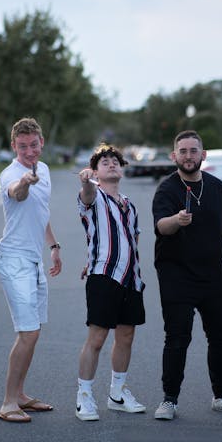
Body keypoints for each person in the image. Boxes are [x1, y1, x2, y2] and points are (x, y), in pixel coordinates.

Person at [152, 130, 222, 420]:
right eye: (183, 151)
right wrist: (177, 220)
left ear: (203, 155)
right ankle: (169, 400)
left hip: (213, 275)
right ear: (174, 156)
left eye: (193, 151)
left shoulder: (216, 187)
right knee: (177, 337)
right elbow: (161, 226)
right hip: (177, 275)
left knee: (220, 337)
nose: (188, 156)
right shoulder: (167, 189)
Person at [0, 117, 62, 423]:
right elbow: (17, 194)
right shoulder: (11, 174)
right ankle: (8, 402)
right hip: (13, 258)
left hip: (33, 259)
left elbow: (40, 212)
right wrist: (24, 183)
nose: (29, 151)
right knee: (28, 331)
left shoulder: (44, 170)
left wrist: (54, 245)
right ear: (13, 147)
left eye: (34, 145)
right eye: (23, 147)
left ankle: (20, 395)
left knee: (34, 332)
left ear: (42, 143)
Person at [76, 144, 146, 421]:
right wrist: (85, 182)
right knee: (97, 338)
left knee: (126, 335)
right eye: (104, 162)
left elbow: (133, 239)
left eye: (115, 161)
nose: (112, 164)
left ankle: (117, 393)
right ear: (95, 172)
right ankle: (84, 396)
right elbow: (87, 195)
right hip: (104, 276)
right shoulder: (93, 197)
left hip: (131, 278)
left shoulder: (129, 205)